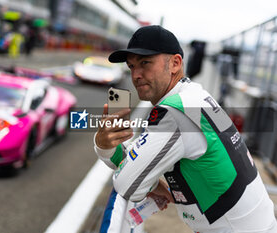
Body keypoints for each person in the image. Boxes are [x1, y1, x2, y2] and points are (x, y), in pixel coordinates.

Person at [94, 25, 277, 232]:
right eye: (131, 66)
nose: (136, 75)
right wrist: (104, 146)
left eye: (145, 63)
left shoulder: (175, 112)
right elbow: (137, 163)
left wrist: (150, 182)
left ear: (175, 63)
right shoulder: (193, 95)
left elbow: (127, 184)